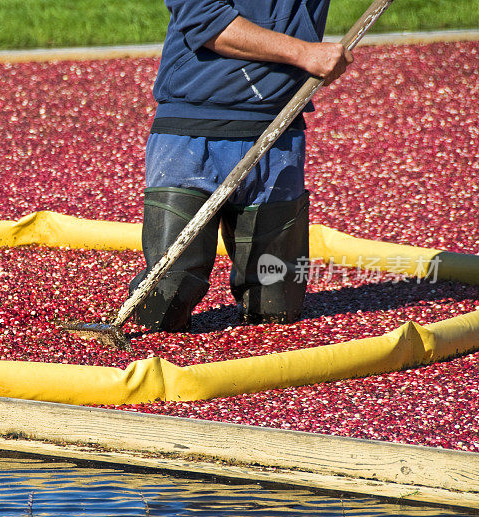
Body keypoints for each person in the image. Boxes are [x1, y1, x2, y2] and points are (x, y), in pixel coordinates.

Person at [130, 0, 353, 332]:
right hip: (191, 133)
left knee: (276, 303)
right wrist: (304, 53)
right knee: (164, 300)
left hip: (279, 129)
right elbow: (203, 20)